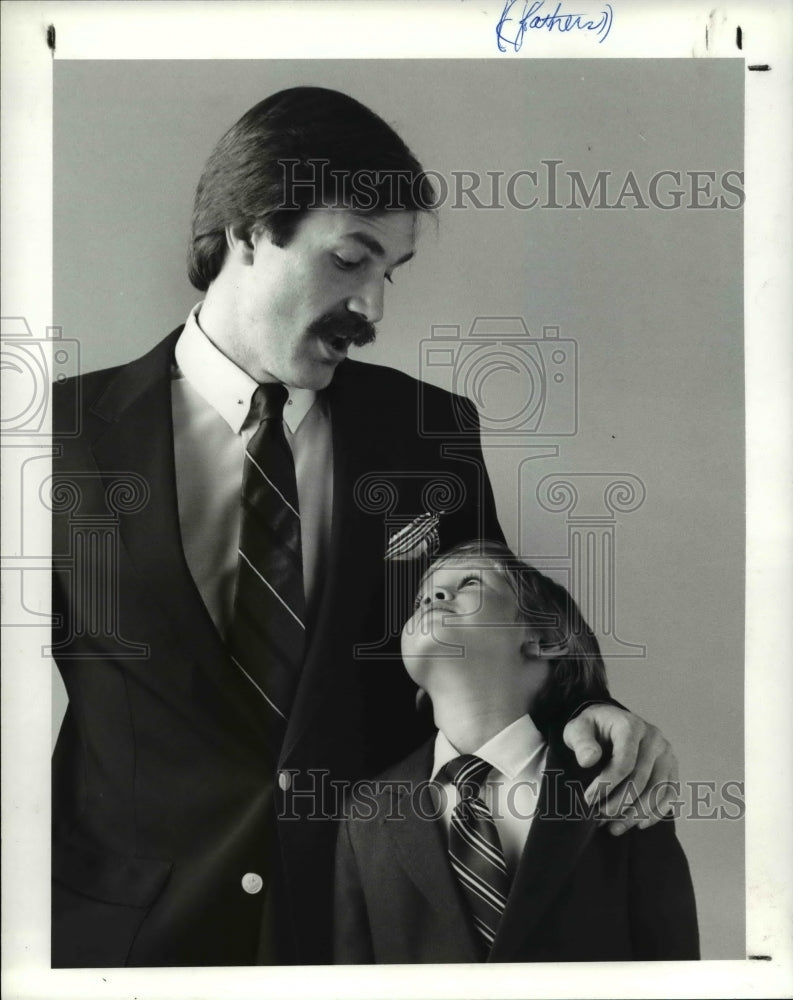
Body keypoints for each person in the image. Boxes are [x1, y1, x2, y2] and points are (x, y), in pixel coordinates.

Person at [51, 86, 679, 968]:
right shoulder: (58, 438)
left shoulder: (431, 432)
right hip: (123, 938)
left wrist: (596, 710)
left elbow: (492, 636)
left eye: (391, 272)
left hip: (377, 924)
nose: (374, 309)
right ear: (247, 232)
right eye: (351, 259)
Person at [334, 541, 699, 963]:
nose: (432, 597)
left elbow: (672, 960)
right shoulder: (365, 816)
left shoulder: (622, 777)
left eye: (469, 582)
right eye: (421, 598)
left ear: (544, 637)